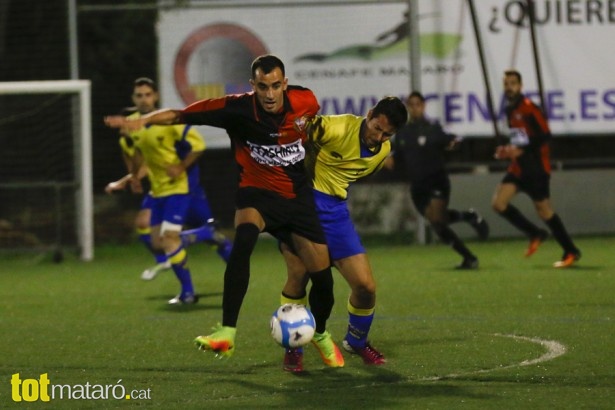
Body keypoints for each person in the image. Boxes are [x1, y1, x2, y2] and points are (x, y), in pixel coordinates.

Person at [105, 55, 343, 367]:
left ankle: (321, 334)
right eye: (262, 87)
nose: (269, 94)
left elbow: (312, 132)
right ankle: (227, 332)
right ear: (252, 86)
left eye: (275, 86)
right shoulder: (236, 108)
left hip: (296, 199)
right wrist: (144, 120)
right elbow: (179, 115)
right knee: (242, 243)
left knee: (323, 280)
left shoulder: (306, 101)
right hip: (256, 194)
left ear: (284, 84)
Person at [279, 96, 408, 372]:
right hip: (302, 206)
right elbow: (298, 130)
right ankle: (294, 346)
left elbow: (353, 176)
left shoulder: (383, 151)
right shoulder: (335, 127)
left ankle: (356, 342)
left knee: (366, 287)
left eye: (388, 133)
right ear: (369, 114)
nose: (380, 136)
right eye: (377, 127)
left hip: (335, 212)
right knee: (298, 276)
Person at [107, 77, 232, 304]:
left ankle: (188, 293)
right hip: (158, 190)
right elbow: (137, 156)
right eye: (139, 95)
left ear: (155, 96)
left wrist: (181, 166)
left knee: (170, 238)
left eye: (147, 94)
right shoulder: (133, 125)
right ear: (133, 99)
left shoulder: (166, 120)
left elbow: (198, 146)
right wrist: (133, 177)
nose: (144, 99)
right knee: (158, 242)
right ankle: (203, 233)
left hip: (181, 188)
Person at [385, 91, 489, 269]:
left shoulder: (433, 128)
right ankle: (469, 244)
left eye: (418, 104)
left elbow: (454, 139)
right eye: (411, 105)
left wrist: (453, 144)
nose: (414, 108)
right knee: (438, 224)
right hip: (417, 186)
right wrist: (384, 159)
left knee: (437, 219)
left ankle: (470, 255)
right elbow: (396, 158)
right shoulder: (403, 133)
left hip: (436, 180)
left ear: (423, 106)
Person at [492, 70, 581, 268]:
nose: (509, 87)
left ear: (520, 86)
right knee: (499, 203)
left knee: (544, 211)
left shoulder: (529, 108)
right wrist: (507, 150)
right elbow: (519, 139)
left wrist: (520, 149)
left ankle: (571, 251)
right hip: (518, 168)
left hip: (536, 168)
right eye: (506, 83)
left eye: (513, 83)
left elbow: (544, 136)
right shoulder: (509, 109)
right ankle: (535, 233)